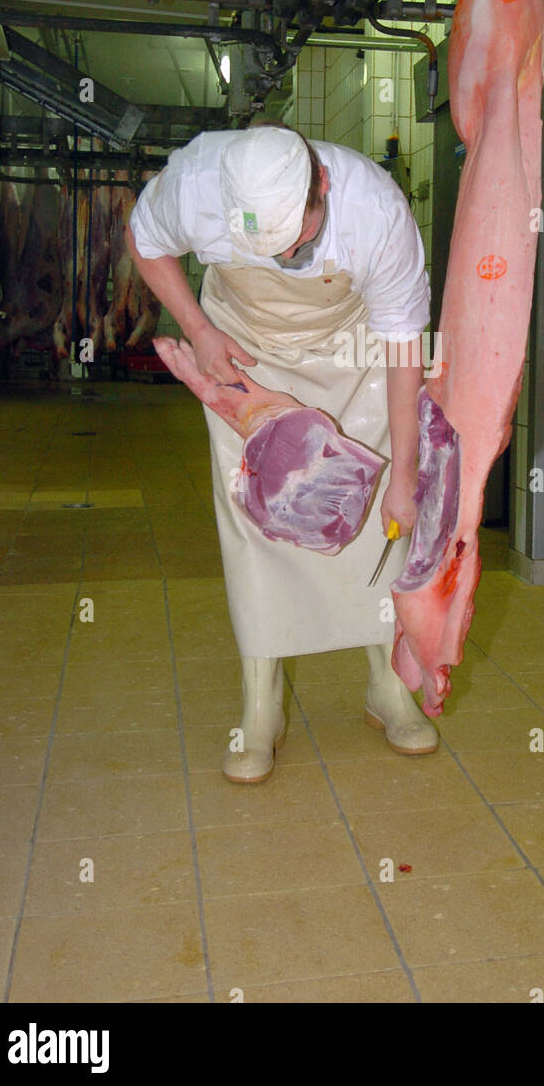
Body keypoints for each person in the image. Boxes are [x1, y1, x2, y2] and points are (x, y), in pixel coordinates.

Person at [126, 121, 439, 781]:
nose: (287, 259)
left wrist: (406, 473)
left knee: (375, 514)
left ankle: (388, 688)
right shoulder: (196, 180)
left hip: (352, 360)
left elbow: (405, 346)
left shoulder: (376, 210)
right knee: (256, 521)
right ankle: (260, 707)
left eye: (297, 244)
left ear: (321, 187)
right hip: (242, 351)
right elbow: (143, 238)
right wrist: (198, 329)